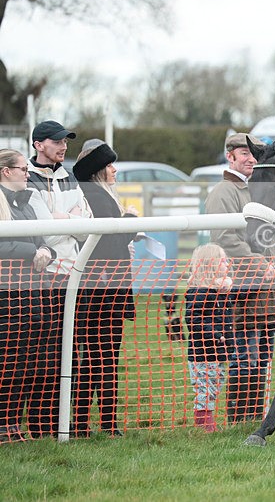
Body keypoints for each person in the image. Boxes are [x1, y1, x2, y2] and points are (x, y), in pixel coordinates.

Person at [203, 133, 275, 423]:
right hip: (240, 288)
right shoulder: (223, 192)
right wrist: (261, 264)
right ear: (230, 157)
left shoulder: (253, 189)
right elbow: (224, 238)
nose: (251, 159)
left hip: (262, 287)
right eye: (244, 153)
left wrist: (274, 264)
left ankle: (254, 416)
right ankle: (239, 418)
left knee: (261, 357)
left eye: (253, 154)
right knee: (244, 357)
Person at [25, 120, 93, 438]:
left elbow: (87, 224)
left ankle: (62, 423)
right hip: (44, 277)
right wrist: (70, 218)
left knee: (71, 353)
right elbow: (46, 232)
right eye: (56, 141)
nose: (63, 147)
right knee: (45, 354)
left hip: (71, 275)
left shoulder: (69, 178)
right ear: (39, 145)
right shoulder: (26, 177)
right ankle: (40, 425)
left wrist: (62, 219)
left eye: (65, 141)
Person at [71, 140, 138, 437]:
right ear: (98, 169)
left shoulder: (99, 194)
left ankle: (93, 423)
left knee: (100, 359)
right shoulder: (97, 196)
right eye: (110, 165)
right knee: (101, 360)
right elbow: (112, 240)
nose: (115, 170)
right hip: (102, 291)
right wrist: (131, 220)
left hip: (105, 288)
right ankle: (96, 423)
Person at [0, 149, 55, 443]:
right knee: (7, 360)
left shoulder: (26, 204)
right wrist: (33, 251)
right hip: (7, 297)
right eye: (23, 169)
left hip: (31, 293)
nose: (27, 173)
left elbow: (43, 242)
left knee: (25, 361)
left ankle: (12, 424)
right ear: (6, 171)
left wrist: (46, 250)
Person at [184, 244, 236, 432]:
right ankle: (204, 425)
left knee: (214, 385)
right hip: (203, 353)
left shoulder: (219, 291)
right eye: (223, 260)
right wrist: (216, 335)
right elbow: (194, 320)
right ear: (210, 264)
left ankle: (207, 422)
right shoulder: (199, 293)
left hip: (219, 351)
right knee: (205, 388)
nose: (227, 264)